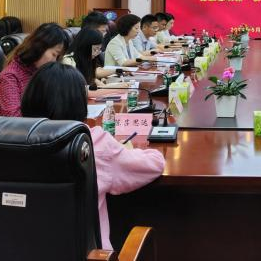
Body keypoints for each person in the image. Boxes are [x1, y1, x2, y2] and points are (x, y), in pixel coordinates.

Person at [20, 63, 164, 250]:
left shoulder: (11, 143)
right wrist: (126, 150)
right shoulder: (94, 143)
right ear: (79, 103)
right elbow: (155, 164)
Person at [0, 22, 65, 117]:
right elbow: (14, 118)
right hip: (13, 126)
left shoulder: (39, 71)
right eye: (54, 54)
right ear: (40, 47)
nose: (54, 61)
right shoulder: (10, 76)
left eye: (57, 56)